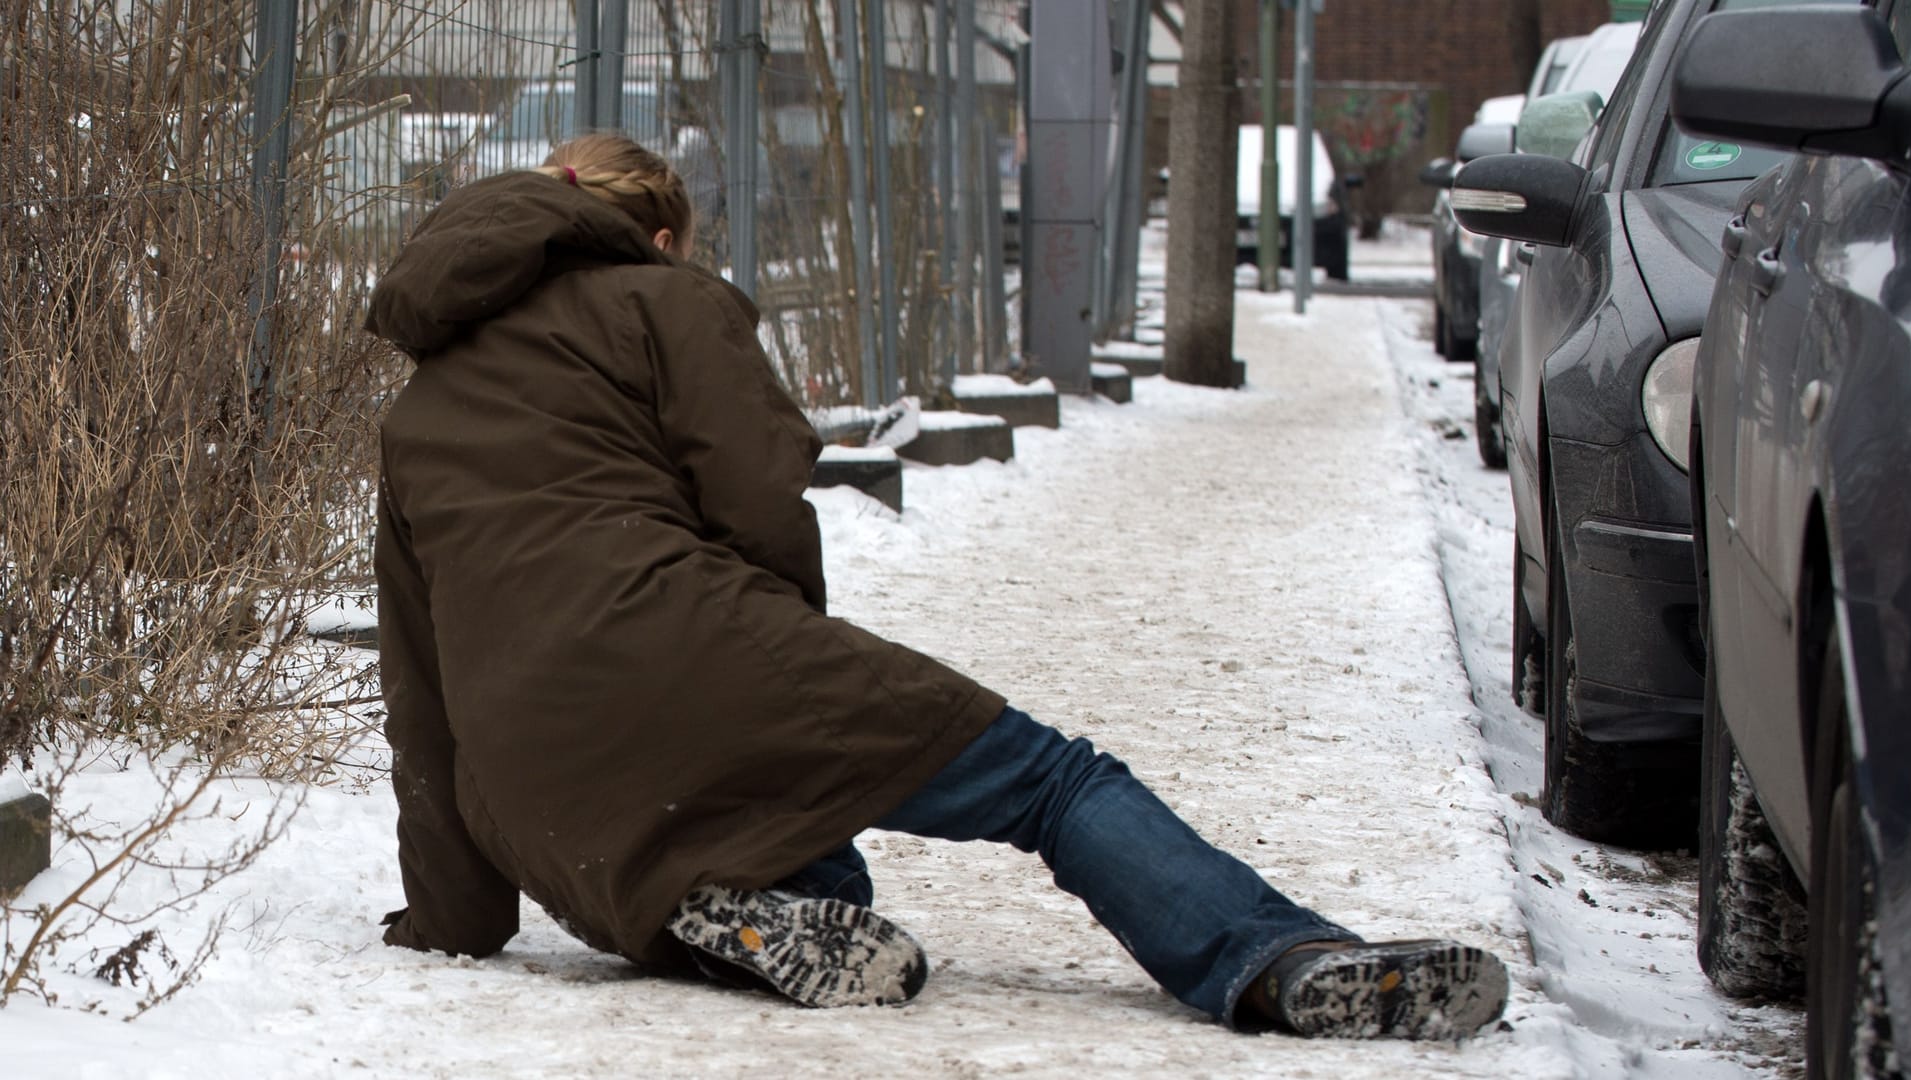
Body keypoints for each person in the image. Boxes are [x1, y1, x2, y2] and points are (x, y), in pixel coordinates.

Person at [365, 132, 1509, 1038]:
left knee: (815, 873)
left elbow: (417, 691)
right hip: (690, 649)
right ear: (655, 236)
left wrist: (456, 920)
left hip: (537, 792)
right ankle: (1279, 962)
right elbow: (760, 496)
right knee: (1053, 783)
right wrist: (778, 665)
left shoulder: (417, 414)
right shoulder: (666, 301)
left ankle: (721, 919)